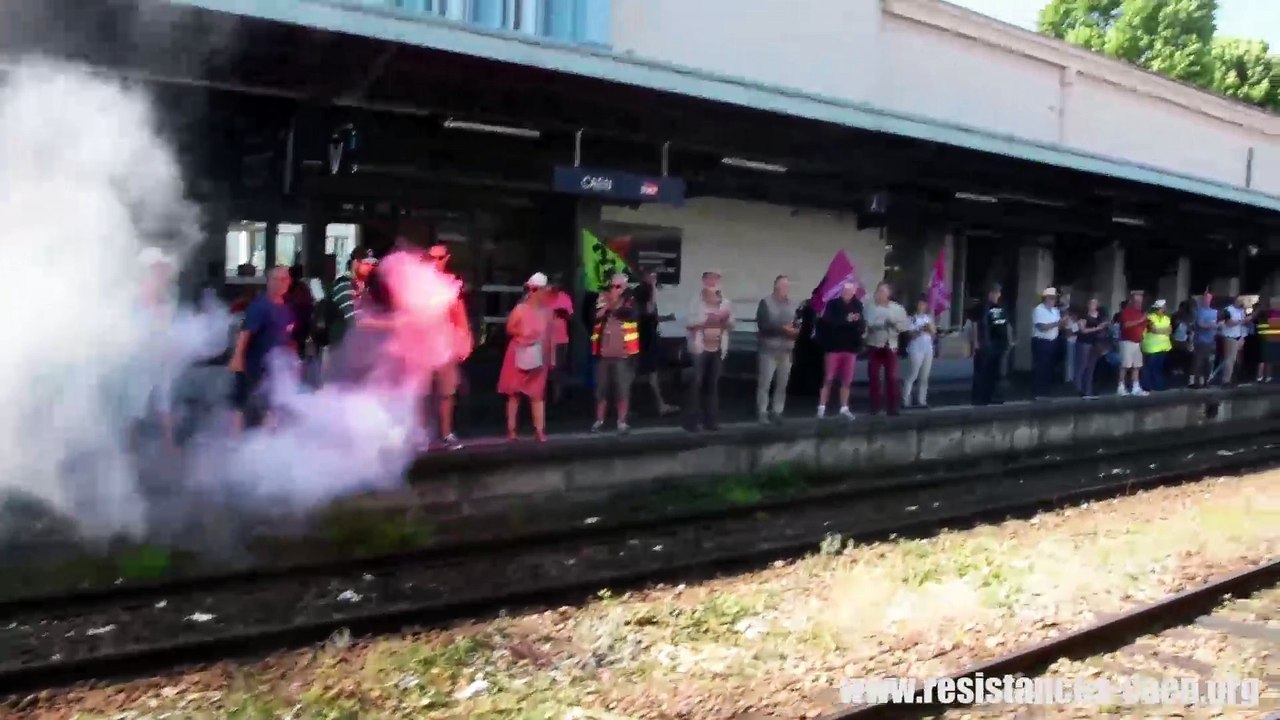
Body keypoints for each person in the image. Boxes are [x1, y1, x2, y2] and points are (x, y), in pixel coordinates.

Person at [415, 244, 472, 450]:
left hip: (445, 344)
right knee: (422, 392)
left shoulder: (451, 284)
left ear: (446, 258)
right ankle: (421, 435)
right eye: (431, 258)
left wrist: (465, 340)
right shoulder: (417, 283)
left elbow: (459, 313)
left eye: (439, 258)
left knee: (447, 392)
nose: (435, 262)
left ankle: (446, 433)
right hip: (422, 344)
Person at [229, 265, 295, 433]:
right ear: (269, 282)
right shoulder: (260, 306)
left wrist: (291, 360)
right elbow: (245, 333)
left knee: (272, 403)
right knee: (242, 404)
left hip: (273, 366)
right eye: (278, 279)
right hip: (253, 365)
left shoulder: (284, 307)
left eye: (286, 279)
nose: (283, 283)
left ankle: (265, 441)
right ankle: (235, 442)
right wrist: (237, 359)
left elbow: (285, 335)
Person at [497, 273, 555, 442]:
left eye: (538, 289)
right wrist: (524, 333)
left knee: (537, 394)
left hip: (538, 354)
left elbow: (550, 336)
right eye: (532, 289)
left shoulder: (547, 311)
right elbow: (509, 329)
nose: (535, 292)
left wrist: (551, 358)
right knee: (514, 393)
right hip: (518, 352)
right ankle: (512, 431)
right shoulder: (520, 309)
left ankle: (539, 430)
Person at [684, 270, 734, 432]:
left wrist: (724, 321)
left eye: (716, 279)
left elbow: (731, 325)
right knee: (696, 382)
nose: (713, 282)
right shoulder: (696, 301)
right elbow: (689, 324)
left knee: (712, 384)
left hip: (718, 347)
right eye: (710, 278)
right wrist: (705, 321)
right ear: (704, 280)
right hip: (700, 347)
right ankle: (692, 421)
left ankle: (711, 421)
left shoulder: (725, 302)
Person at [591, 273, 639, 434]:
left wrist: (609, 304)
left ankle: (621, 422)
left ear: (624, 287)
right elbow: (596, 316)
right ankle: (599, 421)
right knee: (601, 390)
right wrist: (605, 306)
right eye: (612, 286)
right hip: (603, 353)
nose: (614, 289)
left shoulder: (630, 300)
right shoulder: (602, 298)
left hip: (623, 354)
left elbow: (628, 314)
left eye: (618, 286)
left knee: (622, 389)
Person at [632, 271, 680, 416]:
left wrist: (666, 318)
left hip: (645, 336)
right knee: (645, 373)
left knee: (643, 373)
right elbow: (648, 310)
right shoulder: (643, 292)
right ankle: (659, 405)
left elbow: (651, 316)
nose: (655, 279)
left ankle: (628, 407)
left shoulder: (642, 293)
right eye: (652, 277)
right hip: (645, 338)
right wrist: (653, 287)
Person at [816, 281, 865, 419]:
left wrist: (855, 322)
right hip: (834, 347)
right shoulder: (833, 304)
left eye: (850, 291)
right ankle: (821, 407)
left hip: (850, 348)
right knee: (828, 378)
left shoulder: (858, 305)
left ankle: (844, 407)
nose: (847, 293)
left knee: (847, 380)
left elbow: (861, 324)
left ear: (854, 292)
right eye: (845, 291)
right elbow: (829, 322)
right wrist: (847, 320)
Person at [755, 275, 799, 424]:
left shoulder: (793, 305)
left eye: (787, 286)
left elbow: (798, 323)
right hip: (769, 349)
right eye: (783, 286)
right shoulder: (765, 303)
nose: (786, 289)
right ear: (776, 287)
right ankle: (762, 412)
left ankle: (777, 411)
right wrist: (782, 329)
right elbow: (763, 325)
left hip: (786, 350)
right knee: (765, 383)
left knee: (782, 383)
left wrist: (796, 331)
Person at [863, 282, 910, 415]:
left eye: (883, 292)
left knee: (892, 377)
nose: (879, 294)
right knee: (874, 377)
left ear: (889, 294)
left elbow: (904, 327)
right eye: (878, 291)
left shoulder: (898, 309)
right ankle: (875, 407)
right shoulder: (869, 308)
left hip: (891, 345)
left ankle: (893, 407)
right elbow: (867, 325)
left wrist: (893, 323)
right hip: (874, 345)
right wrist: (875, 325)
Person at [324, 247, 377, 353]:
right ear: (355, 263)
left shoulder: (364, 288)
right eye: (366, 264)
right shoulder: (344, 286)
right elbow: (353, 322)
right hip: (343, 352)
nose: (370, 268)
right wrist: (389, 324)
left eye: (374, 265)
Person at [971, 283, 1010, 406]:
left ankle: (992, 395)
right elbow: (975, 324)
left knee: (994, 372)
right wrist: (976, 342)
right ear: (990, 293)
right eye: (995, 292)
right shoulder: (982, 307)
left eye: (999, 292)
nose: (997, 295)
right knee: (982, 372)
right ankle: (979, 398)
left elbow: (1004, 324)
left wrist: (1008, 341)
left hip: (998, 344)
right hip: (985, 343)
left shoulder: (1000, 307)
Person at [900, 294, 936, 409]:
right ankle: (906, 400)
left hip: (927, 349)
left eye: (924, 304)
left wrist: (929, 328)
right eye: (920, 304)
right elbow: (910, 335)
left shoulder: (928, 318)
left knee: (924, 376)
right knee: (912, 374)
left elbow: (933, 332)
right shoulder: (911, 319)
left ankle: (922, 400)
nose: (922, 306)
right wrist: (920, 330)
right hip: (915, 349)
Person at [546, 275, 575, 405]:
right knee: (543, 369)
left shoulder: (564, 297)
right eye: (553, 283)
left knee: (558, 369)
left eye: (558, 283)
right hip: (543, 339)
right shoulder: (543, 297)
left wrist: (563, 313)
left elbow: (571, 317)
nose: (555, 285)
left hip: (560, 339)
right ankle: (543, 396)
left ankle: (557, 397)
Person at [1030, 288, 1063, 400]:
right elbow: (1041, 327)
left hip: (1052, 341)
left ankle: (1046, 392)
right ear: (1046, 298)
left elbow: (1058, 325)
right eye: (1052, 298)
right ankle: (1039, 392)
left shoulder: (1055, 310)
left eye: (1055, 298)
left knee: (1049, 367)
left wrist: (1062, 323)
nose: (1054, 300)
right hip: (1041, 341)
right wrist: (1057, 323)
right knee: (1041, 367)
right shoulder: (1038, 310)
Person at [1072, 298, 1106, 398]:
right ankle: (1078, 389)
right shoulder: (1084, 316)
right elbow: (1082, 330)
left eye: (1095, 303)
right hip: (1084, 342)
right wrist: (1097, 328)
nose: (1093, 305)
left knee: (1091, 368)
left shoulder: (1100, 316)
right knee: (1082, 366)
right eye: (1091, 303)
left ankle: (1088, 390)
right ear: (1088, 305)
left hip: (1095, 343)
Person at [1140, 299, 1172, 392]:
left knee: (1158, 367)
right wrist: (1163, 331)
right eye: (1163, 307)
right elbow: (1153, 329)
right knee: (1149, 367)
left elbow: (1169, 331)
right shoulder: (1150, 317)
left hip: (1164, 347)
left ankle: (1158, 385)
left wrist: (1160, 330)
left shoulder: (1167, 318)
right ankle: (1146, 386)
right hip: (1151, 347)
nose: (1164, 308)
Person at [1192, 290, 1220, 389]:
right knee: (1198, 362)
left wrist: (1215, 326)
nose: (1207, 300)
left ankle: (1206, 381)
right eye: (1205, 298)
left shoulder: (1215, 312)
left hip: (1211, 341)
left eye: (1209, 298)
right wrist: (1211, 325)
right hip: (1200, 341)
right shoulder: (1198, 311)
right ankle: (1197, 382)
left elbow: (1218, 325)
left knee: (1209, 362)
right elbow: (1199, 324)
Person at [1220, 294, 1249, 385]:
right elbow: (1229, 323)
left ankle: (1234, 378)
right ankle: (1226, 380)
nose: (1241, 302)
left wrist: (1243, 337)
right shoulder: (1228, 310)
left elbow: (1244, 325)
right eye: (1240, 300)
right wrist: (1241, 321)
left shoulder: (1242, 311)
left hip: (1239, 337)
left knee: (1237, 360)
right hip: (1230, 336)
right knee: (1229, 359)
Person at [1255, 299, 1280, 382]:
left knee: (1270, 359)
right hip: (1267, 338)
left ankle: (1267, 376)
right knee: (1265, 359)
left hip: (1274, 338)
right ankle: (1261, 376)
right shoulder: (1265, 313)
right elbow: (1261, 326)